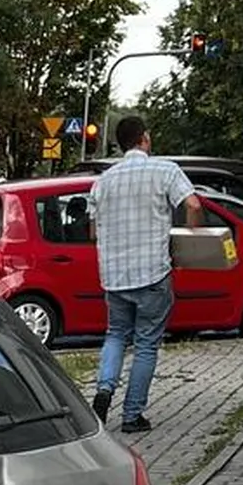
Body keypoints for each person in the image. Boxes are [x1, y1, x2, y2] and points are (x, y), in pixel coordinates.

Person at [85, 117, 203, 434]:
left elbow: (93, 232)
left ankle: (104, 391)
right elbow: (192, 203)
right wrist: (191, 235)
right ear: (145, 139)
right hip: (152, 273)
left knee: (115, 335)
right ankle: (132, 415)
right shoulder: (164, 171)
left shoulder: (103, 182)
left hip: (114, 276)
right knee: (146, 345)